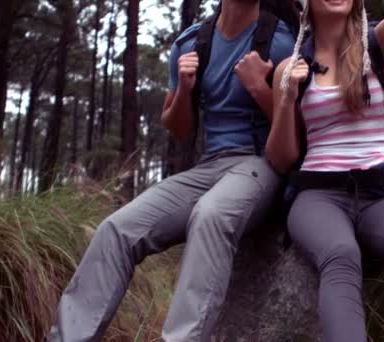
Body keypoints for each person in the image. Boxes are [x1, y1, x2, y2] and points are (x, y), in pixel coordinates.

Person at [48, 0, 295, 341]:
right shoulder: (192, 42)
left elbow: (296, 130)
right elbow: (178, 127)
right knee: (117, 230)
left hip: (259, 163)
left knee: (211, 215)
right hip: (210, 166)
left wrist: (258, 86)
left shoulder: (280, 40)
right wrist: (185, 87)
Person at [266, 0, 384, 341]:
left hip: (381, 193)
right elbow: (281, 159)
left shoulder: (382, 46)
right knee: (340, 253)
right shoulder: (291, 67)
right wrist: (285, 99)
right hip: (317, 197)